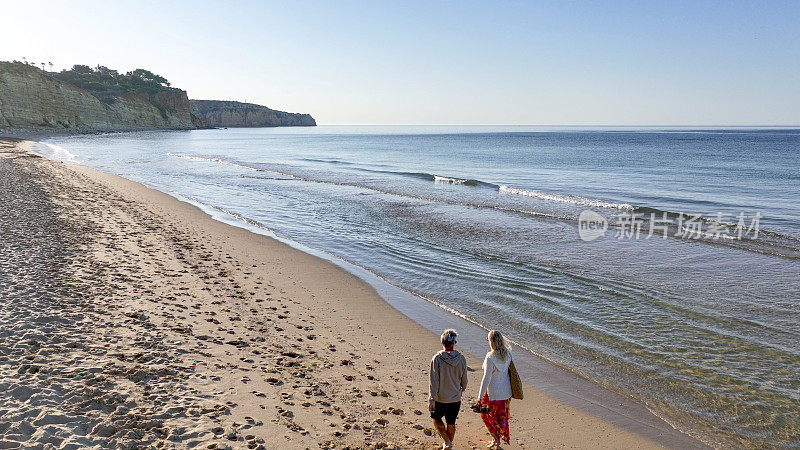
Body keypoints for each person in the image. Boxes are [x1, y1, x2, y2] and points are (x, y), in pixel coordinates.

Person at [429, 329, 468, 449]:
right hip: (455, 398)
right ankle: (448, 443)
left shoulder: (437, 359)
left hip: (440, 398)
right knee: (451, 423)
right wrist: (461, 390)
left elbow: (433, 381)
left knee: (435, 419)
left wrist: (432, 399)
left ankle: (447, 442)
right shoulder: (461, 359)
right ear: (453, 343)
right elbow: (464, 380)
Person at [476, 330, 512, 448]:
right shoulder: (508, 354)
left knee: (485, 414)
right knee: (501, 417)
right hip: (506, 392)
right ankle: (498, 439)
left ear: (490, 341)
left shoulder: (490, 357)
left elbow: (486, 378)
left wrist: (479, 397)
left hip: (493, 393)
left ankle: (496, 439)